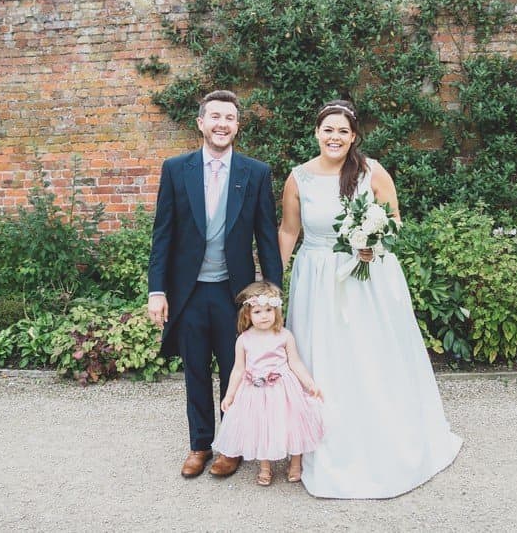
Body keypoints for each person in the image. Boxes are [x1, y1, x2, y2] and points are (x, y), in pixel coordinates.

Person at [278, 99, 462, 499]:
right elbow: (289, 232)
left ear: (354, 136)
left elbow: (394, 222)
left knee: (367, 355)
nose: (335, 137)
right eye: (328, 129)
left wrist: (373, 243)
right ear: (316, 133)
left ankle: (380, 438)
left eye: (343, 131)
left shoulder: (371, 171)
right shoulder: (299, 178)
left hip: (366, 278)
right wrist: (273, 283)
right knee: (322, 358)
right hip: (316, 277)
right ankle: (322, 440)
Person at [147, 89, 283, 479]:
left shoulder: (255, 172)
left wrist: (272, 294)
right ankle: (200, 444)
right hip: (188, 292)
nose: (222, 124)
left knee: (233, 370)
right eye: (216, 117)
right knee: (195, 371)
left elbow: (266, 237)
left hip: (234, 293)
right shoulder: (176, 169)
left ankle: (231, 445)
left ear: (237, 126)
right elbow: (163, 235)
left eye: (230, 118)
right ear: (201, 123)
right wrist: (157, 291)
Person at [212, 280, 324, 486]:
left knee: (292, 424)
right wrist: (230, 395)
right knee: (262, 426)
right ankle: (265, 467)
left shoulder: (284, 336)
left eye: (268, 310)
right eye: (257, 312)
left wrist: (310, 384)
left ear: (276, 311)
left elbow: (296, 363)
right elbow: (238, 369)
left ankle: (296, 462)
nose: (263, 316)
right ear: (247, 315)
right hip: (255, 391)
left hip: (283, 389)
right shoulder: (244, 339)